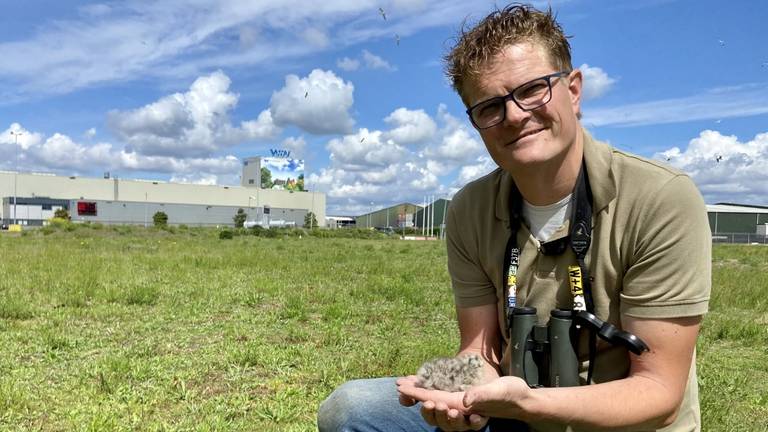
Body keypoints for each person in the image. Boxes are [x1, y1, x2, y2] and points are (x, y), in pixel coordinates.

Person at [317, 3, 711, 431]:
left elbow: (658, 392)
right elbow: (479, 353)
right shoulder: (470, 208)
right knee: (351, 408)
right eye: (489, 107)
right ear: (475, 123)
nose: (515, 115)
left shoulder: (659, 197)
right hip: (513, 412)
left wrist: (532, 404)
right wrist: (463, 396)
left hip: (623, 424)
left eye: (532, 89)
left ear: (574, 90)